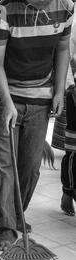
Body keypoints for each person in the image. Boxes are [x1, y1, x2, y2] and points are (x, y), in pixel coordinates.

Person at [0, 0, 74, 251]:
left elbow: (62, 50)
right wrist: (6, 102)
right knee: (3, 164)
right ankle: (5, 227)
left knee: (31, 166)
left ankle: (17, 214)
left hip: (41, 98)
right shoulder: (3, 10)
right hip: (5, 96)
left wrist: (58, 91)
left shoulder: (65, 6)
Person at [55, 16, 76, 216]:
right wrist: (69, 87)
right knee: (74, 149)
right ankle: (68, 192)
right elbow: (65, 54)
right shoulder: (74, 18)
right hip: (75, 91)